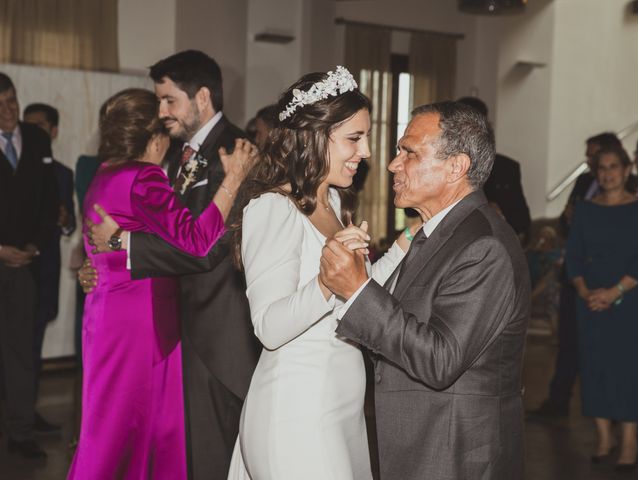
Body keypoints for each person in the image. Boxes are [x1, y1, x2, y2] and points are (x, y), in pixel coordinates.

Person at [320, 100, 531, 480]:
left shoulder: (483, 246)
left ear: (456, 167)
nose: (392, 164)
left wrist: (357, 289)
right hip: (426, 440)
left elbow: (440, 359)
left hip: (455, 452)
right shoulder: (438, 234)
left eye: (409, 152)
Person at [81, 49, 261, 479]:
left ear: (201, 98)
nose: (161, 113)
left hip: (214, 331)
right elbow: (159, 222)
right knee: (172, 452)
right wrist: (106, 266)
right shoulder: (172, 154)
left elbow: (213, 248)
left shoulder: (238, 152)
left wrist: (123, 248)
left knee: (214, 457)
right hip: (166, 328)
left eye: (168, 101)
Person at [226, 66, 412, 480]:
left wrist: (407, 240)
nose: (365, 153)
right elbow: (269, 327)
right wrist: (327, 281)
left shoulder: (333, 202)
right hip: (296, 413)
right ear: (313, 136)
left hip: (342, 408)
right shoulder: (274, 208)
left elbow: (358, 294)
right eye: (354, 138)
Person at [531, 131, 623, 419]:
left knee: (610, 350)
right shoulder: (584, 182)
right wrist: (569, 218)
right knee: (568, 342)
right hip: (576, 275)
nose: (589, 160)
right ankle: (558, 402)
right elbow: (564, 224)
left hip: (609, 281)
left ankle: (614, 412)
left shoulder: (629, 188)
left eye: (593, 154)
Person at [565, 145, 638, 472]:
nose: (608, 173)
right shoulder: (585, 209)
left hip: (629, 299)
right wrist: (584, 291)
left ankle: (628, 441)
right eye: (602, 168)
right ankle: (603, 437)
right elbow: (574, 255)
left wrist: (614, 291)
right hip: (590, 301)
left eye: (614, 167)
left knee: (627, 371)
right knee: (594, 367)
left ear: (626, 170)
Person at [0, 72, 57, 460]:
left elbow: (49, 201)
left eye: (12, 100)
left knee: (21, 353)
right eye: (0, 105)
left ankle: (20, 432)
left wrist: (34, 246)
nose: (9, 111)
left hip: (24, 265)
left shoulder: (37, 140)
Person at [23, 102, 76, 435]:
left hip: (44, 272)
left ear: (53, 131)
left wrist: (65, 220)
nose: (32, 132)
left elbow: (69, 223)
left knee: (33, 347)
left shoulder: (62, 173)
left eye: (39, 126)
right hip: (13, 269)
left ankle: (25, 412)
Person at [457, 96, 531, 242]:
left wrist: (497, 214)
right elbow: (411, 210)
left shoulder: (506, 168)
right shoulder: (444, 165)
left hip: (494, 243)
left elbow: (522, 222)